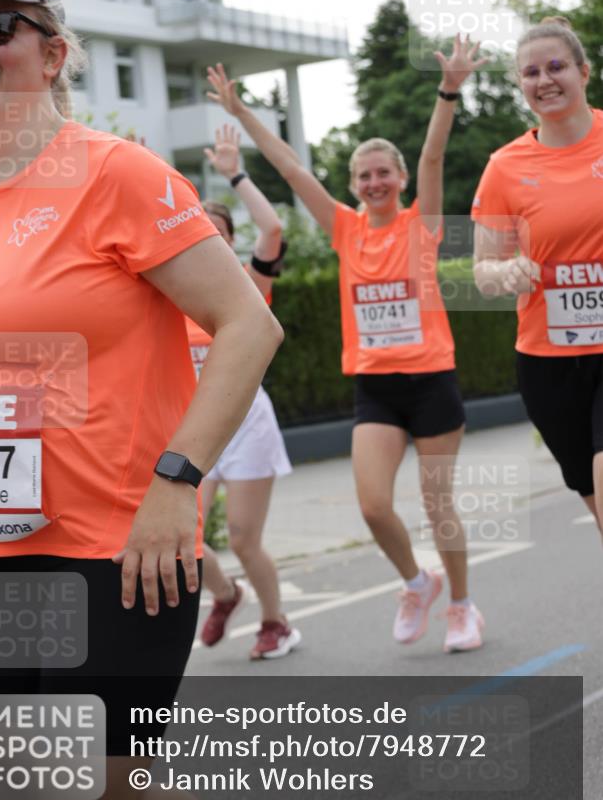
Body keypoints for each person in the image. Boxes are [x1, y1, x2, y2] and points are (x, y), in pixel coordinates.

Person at [0, 0, 290, 800]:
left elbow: (249, 327)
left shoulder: (116, 174)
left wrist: (178, 483)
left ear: (53, 54)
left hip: (122, 539)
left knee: (99, 794)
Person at [206, 41, 487, 653]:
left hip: (432, 380)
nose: (375, 181)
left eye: (385, 172)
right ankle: (417, 583)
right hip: (376, 388)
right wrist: (244, 113)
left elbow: (436, 155)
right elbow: (290, 169)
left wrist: (449, 91)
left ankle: (463, 606)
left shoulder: (422, 226)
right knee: (372, 505)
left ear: (401, 180)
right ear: (355, 186)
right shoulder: (344, 228)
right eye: (364, 175)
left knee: (440, 508)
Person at [472, 16, 603, 532]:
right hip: (548, 362)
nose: (544, 80)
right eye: (531, 73)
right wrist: (507, 273)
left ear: (583, 71)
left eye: (556, 67)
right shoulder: (505, 166)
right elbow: (483, 271)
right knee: (593, 497)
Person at [187, 125, 300, 660]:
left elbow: (273, 225)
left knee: (242, 538)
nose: (205, 240)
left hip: (247, 420)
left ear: (228, 240)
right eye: (194, 230)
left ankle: (276, 623)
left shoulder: (246, 287)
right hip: (194, 424)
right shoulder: (167, 293)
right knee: (185, 535)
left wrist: (235, 172)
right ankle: (227, 594)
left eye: (215, 232)